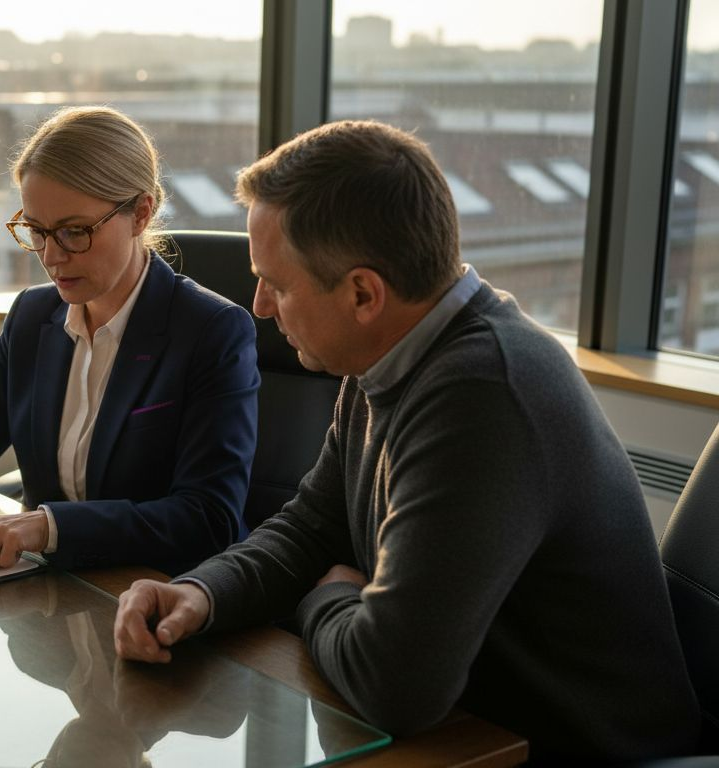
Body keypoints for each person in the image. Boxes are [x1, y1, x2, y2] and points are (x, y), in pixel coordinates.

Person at [113, 120, 702, 761]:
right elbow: (313, 529)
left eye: (277, 285)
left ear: (364, 293)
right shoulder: (388, 355)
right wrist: (200, 593)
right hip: (476, 736)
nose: (259, 307)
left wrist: (327, 595)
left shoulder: (483, 393)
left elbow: (394, 685)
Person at [0, 106, 259, 574]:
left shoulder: (213, 332)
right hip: (45, 590)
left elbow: (209, 518)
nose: (51, 256)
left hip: (159, 593)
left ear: (141, 213)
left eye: (74, 231)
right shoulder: (33, 316)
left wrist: (47, 527)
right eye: (37, 231)